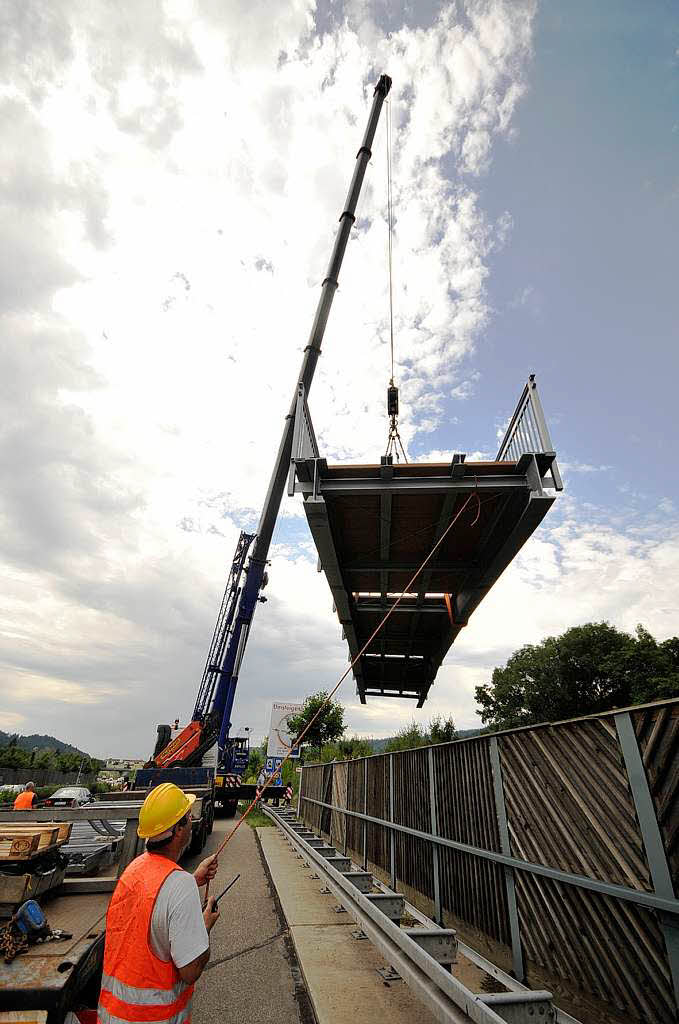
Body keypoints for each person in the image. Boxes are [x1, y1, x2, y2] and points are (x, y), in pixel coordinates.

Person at [98, 783, 220, 1024]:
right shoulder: (179, 886)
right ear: (178, 831)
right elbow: (191, 969)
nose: (191, 820)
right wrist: (205, 927)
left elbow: (151, 903)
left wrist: (194, 879)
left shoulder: (134, 869)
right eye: (188, 817)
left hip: (112, 1016)